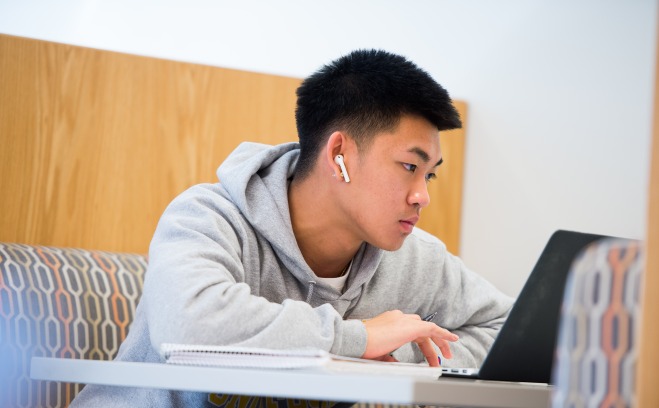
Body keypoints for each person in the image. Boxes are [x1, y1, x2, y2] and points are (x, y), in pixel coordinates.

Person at [71, 49, 513, 407]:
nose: (423, 195)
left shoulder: (416, 259)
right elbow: (189, 325)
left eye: (429, 174)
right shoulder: (207, 216)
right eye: (409, 166)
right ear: (340, 154)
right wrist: (359, 338)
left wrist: (397, 356)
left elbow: (506, 329)